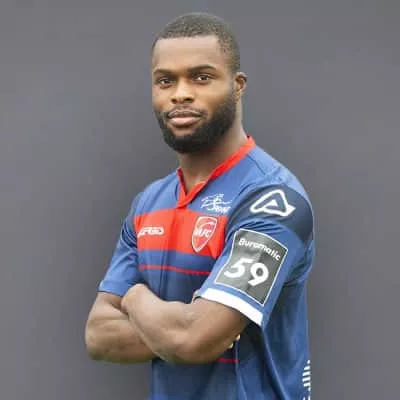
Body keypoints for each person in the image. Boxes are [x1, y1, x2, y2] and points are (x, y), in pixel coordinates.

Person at [85, 12, 315, 400]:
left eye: (201, 77)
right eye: (166, 81)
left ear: (237, 86)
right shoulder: (148, 204)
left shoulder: (273, 200)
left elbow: (194, 340)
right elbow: (98, 334)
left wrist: (135, 298)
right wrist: (184, 327)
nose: (180, 94)